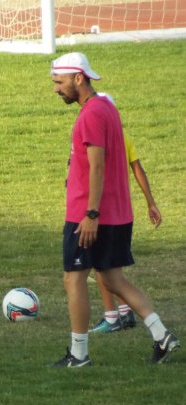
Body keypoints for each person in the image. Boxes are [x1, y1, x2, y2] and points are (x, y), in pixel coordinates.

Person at [49, 52, 179, 366]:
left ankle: (79, 355)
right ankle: (162, 335)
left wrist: (91, 213)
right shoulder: (107, 107)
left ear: (78, 78)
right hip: (117, 213)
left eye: (59, 81)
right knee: (112, 279)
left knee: (74, 278)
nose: (56, 88)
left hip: (90, 215)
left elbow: (97, 165)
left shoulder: (91, 114)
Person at [90, 93, 162, 334]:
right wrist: (151, 203)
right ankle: (125, 312)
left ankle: (112, 317)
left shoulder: (100, 135)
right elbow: (138, 168)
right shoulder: (123, 135)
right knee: (114, 267)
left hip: (103, 210)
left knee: (100, 264)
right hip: (123, 211)